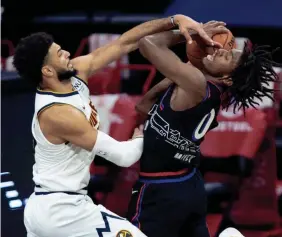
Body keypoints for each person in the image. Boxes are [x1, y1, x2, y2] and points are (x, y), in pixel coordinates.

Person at [12, 14, 219, 237]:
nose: (69, 54)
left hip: (54, 206)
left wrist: (176, 22)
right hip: (63, 211)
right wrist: (142, 135)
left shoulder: (76, 74)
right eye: (60, 54)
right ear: (47, 71)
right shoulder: (59, 114)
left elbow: (125, 42)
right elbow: (123, 156)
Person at [126, 20, 279, 237]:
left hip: (161, 187)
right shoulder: (198, 85)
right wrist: (190, 64)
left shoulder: (196, 83)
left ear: (226, 78)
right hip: (188, 183)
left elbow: (147, 42)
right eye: (226, 50)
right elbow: (143, 106)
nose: (219, 52)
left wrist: (188, 34)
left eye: (226, 57)